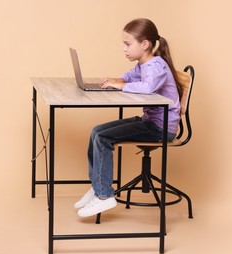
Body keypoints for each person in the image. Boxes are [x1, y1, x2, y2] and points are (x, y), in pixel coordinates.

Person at [74, 18, 182, 217]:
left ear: (145, 44)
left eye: (127, 44)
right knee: (97, 131)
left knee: (104, 139)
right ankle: (98, 186)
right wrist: (118, 80)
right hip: (150, 122)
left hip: (161, 128)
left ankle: (105, 196)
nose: (124, 49)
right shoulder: (144, 64)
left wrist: (121, 86)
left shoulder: (156, 65)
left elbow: (148, 88)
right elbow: (131, 76)